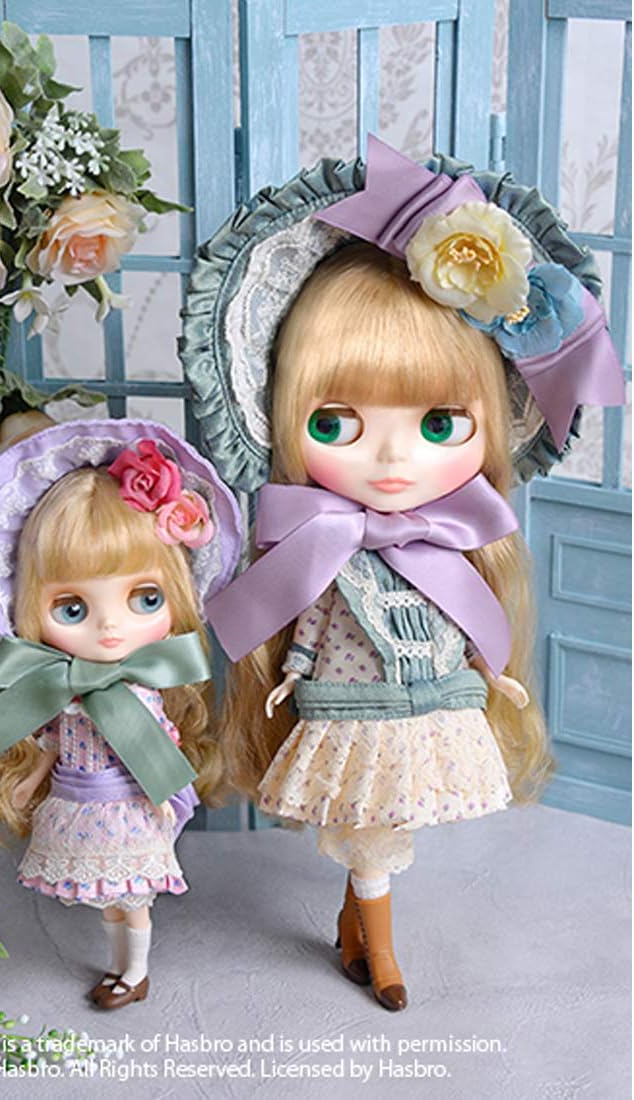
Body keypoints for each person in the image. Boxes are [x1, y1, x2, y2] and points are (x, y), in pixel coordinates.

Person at [179, 136, 624, 1011]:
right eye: (335, 425)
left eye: (437, 426)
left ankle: (356, 929)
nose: (390, 461)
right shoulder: (323, 551)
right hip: (349, 711)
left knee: (379, 833)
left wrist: (492, 672)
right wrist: (289, 676)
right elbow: (306, 621)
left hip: (424, 713)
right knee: (371, 837)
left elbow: (464, 621)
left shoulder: (446, 549)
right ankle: (380, 954)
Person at [0, 418, 241, 1010]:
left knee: (134, 899)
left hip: (128, 807)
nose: (110, 626)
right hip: (78, 805)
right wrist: (30, 780)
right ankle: (117, 966)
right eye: (72, 607)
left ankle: (136, 972)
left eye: (145, 599)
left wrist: (166, 797)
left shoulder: (142, 694)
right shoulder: (61, 693)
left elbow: (156, 746)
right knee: (107, 899)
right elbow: (51, 744)